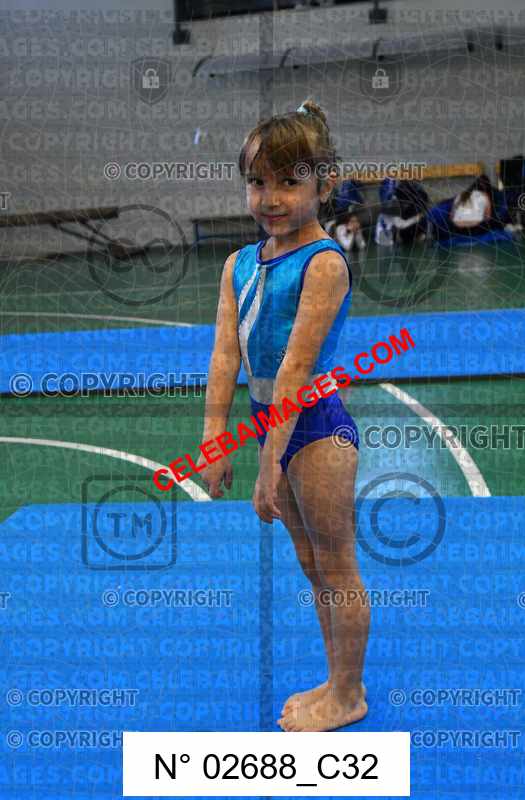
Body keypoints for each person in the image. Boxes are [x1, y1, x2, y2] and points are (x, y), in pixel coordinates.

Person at [196, 98, 369, 732]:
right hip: (273, 426)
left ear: (324, 185)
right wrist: (215, 438)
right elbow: (224, 354)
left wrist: (269, 465)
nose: (270, 198)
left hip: (315, 430)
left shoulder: (322, 263)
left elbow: (295, 372)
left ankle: (348, 693)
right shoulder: (238, 264)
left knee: (336, 564)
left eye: (288, 183)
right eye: (257, 182)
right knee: (311, 564)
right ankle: (336, 679)